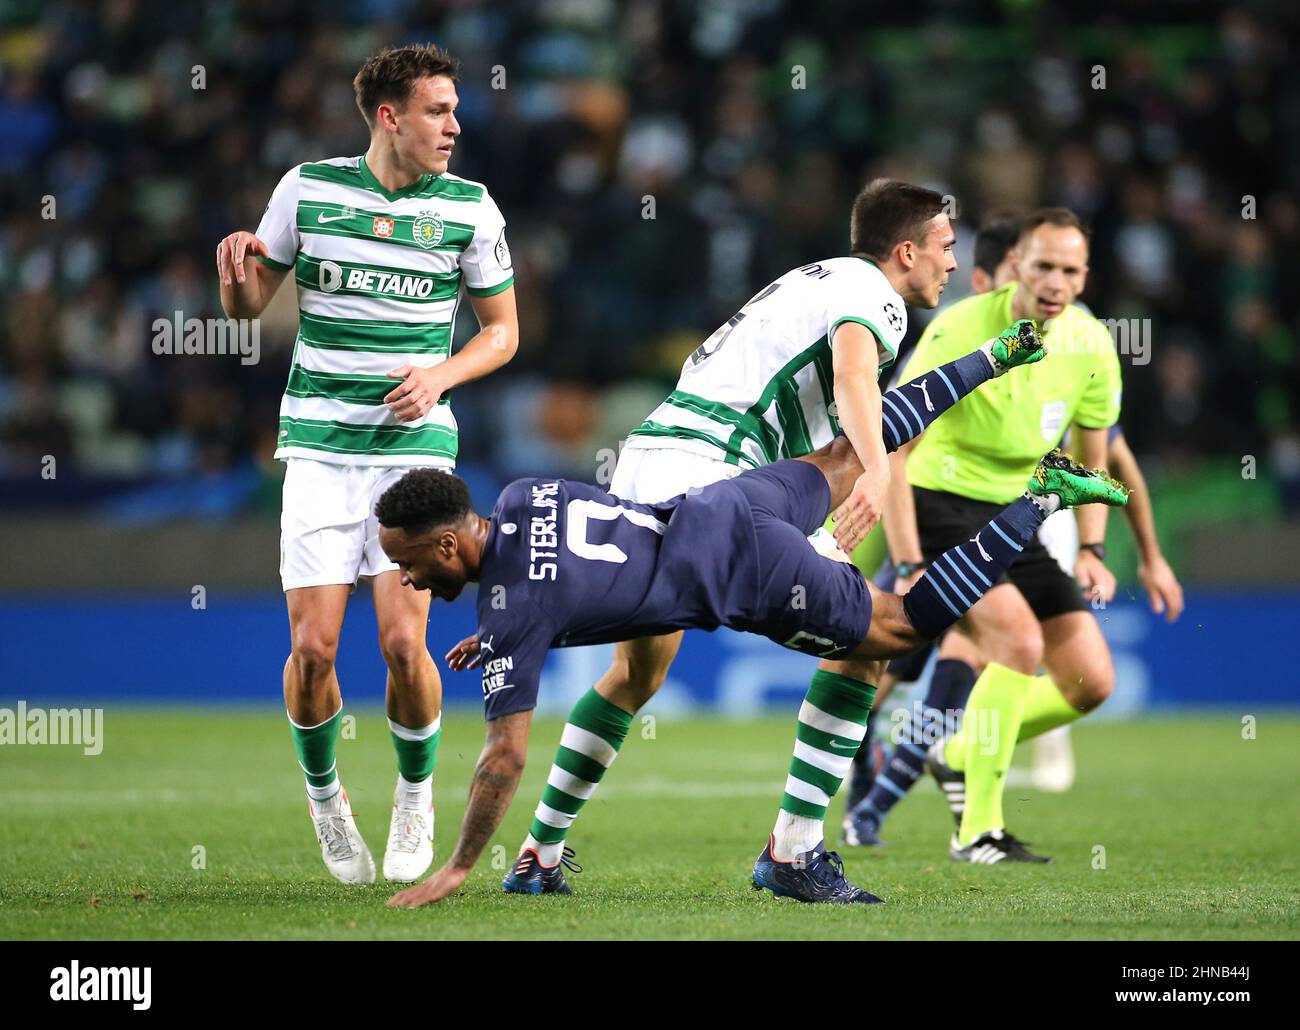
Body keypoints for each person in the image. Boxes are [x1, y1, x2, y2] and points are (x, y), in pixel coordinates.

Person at [377, 436, 1128, 907]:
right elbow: (573, 571)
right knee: (647, 673)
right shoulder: (521, 493)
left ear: (446, 547)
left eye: (404, 562)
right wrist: (505, 631)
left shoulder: (513, 609)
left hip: (733, 540)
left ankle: (1036, 500)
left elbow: (504, 752)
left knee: (893, 632)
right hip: (708, 496)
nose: (402, 580)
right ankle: (549, 857)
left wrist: (455, 869)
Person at [501, 179, 962, 890]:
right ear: (906, 251)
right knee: (877, 642)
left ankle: (539, 853)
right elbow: (853, 373)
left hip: (650, 454)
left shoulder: (810, 280)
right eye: (945, 247)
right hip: (715, 480)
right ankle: (794, 852)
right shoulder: (875, 296)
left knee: (636, 674)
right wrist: (876, 470)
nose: (952, 264)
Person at [214, 43, 519, 885]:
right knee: (313, 650)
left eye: (455, 110)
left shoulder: (470, 209)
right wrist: (236, 277)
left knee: (398, 640)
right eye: (437, 110)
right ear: (390, 117)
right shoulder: (307, 190)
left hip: (414, 452)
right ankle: (326, 800)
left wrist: (442, 374)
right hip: (319, 447)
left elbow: (504, 332)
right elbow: (248, 309)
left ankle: (416, 797)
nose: (455, 126)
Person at [843, 215, 1183, 846]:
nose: (1056, 281)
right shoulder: (961, 327)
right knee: (1003, 647)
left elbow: (1099, 459)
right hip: (938, 505)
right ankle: (976, 829)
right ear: (1016, 266)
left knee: (1090, 683)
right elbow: (896, 441)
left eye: (1070, 270)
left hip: (1018, 515)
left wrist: (1093, 546)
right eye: (1044, 266)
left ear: (1086, 277)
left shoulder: (1090, 344)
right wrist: (911, 556)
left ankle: (960, 747)